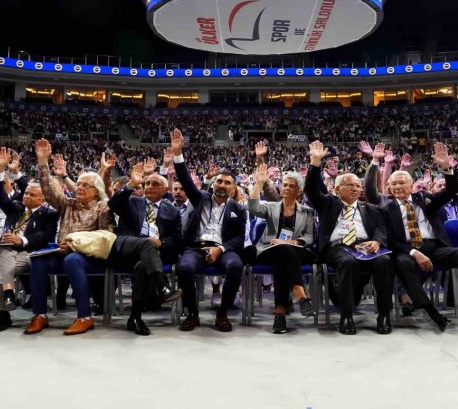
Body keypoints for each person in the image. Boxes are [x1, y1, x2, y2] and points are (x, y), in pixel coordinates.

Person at [365, 142, 458, 332]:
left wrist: (446, 168)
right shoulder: (384, 209)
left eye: (402, 183)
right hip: (406, 250)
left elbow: (450, 192)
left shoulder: (423, 199)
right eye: (394, 183)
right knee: (403, 264)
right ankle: (432, 312)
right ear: (388, 187)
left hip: (434, 247)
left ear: (411, 185)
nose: (397, 186)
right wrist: (414, 252)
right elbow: (390, 241)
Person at [26, 138, 115, 336]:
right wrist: (43, 162)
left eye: (86, 185)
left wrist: (75, 246)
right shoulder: (68, 204)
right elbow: (48, 192)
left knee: (73, 259)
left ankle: (85, 317)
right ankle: (39, 314)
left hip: (90, 259)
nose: (80, 188)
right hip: (62, 254)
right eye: (79, 184)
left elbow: (106, 236)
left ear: (97, 191)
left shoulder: (103, 207)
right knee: (38, 261)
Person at [306, 140, 393, 335]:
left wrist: (377, 241)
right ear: (337, 189)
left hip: (365, 246)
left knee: (385, 261)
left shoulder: (370, 208)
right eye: (350, 185)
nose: (356, 188)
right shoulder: (329, 203)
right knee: (349, 262)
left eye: (358, 185)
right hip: (338, 247)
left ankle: (384, 315)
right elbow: (311, 190)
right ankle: (346, 316)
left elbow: (380, 228)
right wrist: (315, 163)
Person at [170, 128, 247, 332]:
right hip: (196, 248)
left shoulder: (238, 209)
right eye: (219, 181)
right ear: (213, 185)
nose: (222, 184)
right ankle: (192, 313)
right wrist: (178, 154)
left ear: (233, 187)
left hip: (224, 249)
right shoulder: (201, 199)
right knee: (184, 267)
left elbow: (239, 238)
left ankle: (222, 313)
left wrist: (220, 249)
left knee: (236, 266)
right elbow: (185, 180)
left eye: (227, 182)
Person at [0, 147, 59, 332]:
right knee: (3, 253)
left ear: (43, 198)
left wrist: (22, 240)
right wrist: (0, 168)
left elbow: (47, 236)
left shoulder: (49, 213)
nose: (26, 196)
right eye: (26, 193)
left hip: (31, 253)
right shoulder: (16, 208)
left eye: (31, 194)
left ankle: (4, 313)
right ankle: (8, 299)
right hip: (7, 250)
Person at [108, 169, 183, 336]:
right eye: (147, 183)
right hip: (127, 246)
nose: (150, 186)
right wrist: (131, 184)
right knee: (146, 243)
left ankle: (135, 318)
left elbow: (176, 238)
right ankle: (162, 287)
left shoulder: (172, 210)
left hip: (151, 255)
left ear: (165, 190)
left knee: (143, 267)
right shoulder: (132, 201)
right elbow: (113, 204)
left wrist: (162, 243)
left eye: (156, 184)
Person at [248, 164, 316, 334]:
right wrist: (259, 184)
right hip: (268, 250)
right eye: (284, 185)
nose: (286, 188)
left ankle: (280, 313)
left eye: (291, 186)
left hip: (294, 251)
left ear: (299, 191)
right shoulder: (271, 207)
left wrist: (292, 242)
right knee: (283, 253)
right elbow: (252, 208)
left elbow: (309, 237)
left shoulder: (307, 212)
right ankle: (300, 294)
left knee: (284, 256)